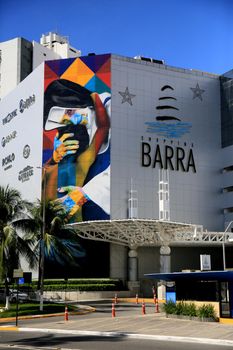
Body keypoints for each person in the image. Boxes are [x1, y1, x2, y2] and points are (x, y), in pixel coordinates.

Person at [43, 79, 110, 221]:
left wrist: (54, 158)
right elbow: (103, 127)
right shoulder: (86, 159)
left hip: (62, 218)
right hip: (74, 213)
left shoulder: (53, 167)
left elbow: (44, 177)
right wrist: (95, 98)